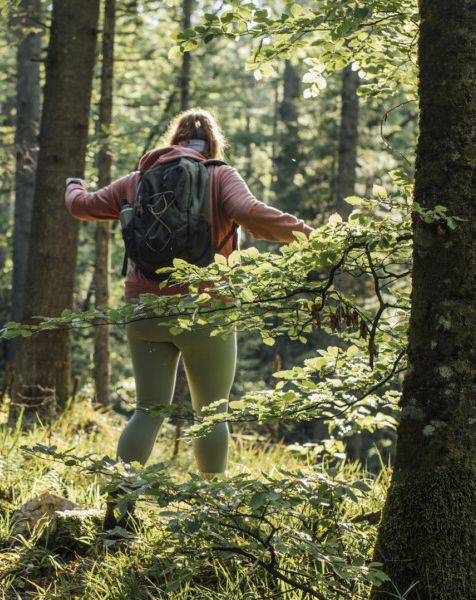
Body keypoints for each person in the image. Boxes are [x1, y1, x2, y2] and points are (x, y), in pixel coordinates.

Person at [65, 108, 312, 529]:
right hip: (206, 309)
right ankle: (212, 515)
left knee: (147, 409)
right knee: (211, 412)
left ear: (173, 140)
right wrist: (308, 234)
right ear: (212, 145)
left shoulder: (138, 179)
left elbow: (82, 207)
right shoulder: (219, 175)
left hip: (144, 308)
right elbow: (250, 214)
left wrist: (73, 184)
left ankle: (119, 514)